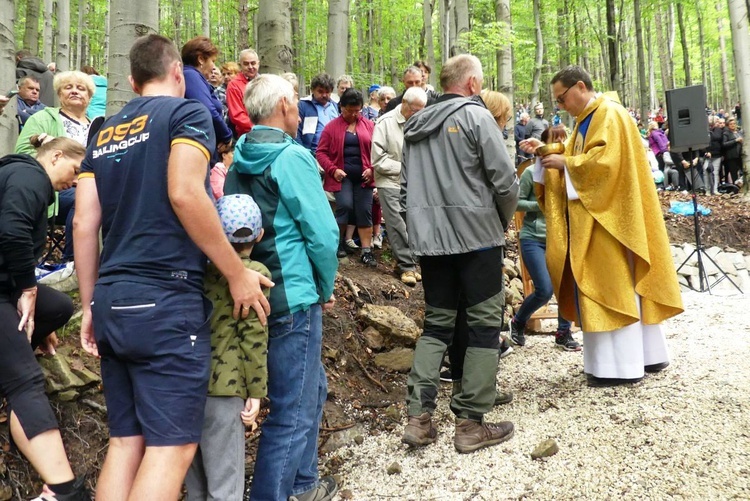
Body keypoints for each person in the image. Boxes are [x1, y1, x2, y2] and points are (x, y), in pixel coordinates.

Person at [73, 34, 272, 500]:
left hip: (112, 299)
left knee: (126, 442)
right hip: (165, 299)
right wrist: (236, 272)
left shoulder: (103, 129)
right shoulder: (188, 114)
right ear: (179, 73)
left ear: (131, 81)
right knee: (171, 448)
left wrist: (90, 304)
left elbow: (84, 221)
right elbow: (186, 192)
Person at [520, 65, 683, 387]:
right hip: (597, 216)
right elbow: (582, 158)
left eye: (562, 98)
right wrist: (544, 154)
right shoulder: (586, 119)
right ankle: (643, 355)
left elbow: (607, 165)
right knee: (615, 283)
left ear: (580, 86)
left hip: (610, 219)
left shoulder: (609, 113)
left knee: (612, 285)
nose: (560, 106)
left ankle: (619, 366)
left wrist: (565, 163)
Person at [222, 73, 340, 501]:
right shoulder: (291, 158)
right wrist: (325, 286)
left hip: (254, 285)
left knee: (313, 389)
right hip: (292, 294)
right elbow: (323, 234)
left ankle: (305, 483)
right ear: (286, 107)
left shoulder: (241, 156)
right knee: (291, 409)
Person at [400, 54, 519, 454]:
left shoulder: (413, 124)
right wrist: (499, 223)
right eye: (480, 82)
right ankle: (470, 422)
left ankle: (419, 418)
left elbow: (404, 191)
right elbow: (504, 181)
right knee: (485, 324)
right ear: (471, 84)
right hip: (477, 239)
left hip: (431, 243)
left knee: (437, 324)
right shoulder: (477, 116)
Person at [0, 135, 90, 501]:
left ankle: (13, 351)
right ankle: (64, 490)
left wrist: (33, 305)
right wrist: (27, 288)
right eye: (74, 170)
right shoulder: (29, 175)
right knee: (26, 382)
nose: (75, 181)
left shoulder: (22, 177)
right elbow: (12, 229)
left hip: (5, 289)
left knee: (57, 308)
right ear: (55, 156)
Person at [185, 194, 270, 501]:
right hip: (226, 389)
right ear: (259, 235)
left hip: (187, 385)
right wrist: (256, 393)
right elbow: (253, 338)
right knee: (226, 485)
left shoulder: (197, 273)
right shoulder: (255, 275)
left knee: (196, 485)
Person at [509, 125, 581, 352]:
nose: (558, 144)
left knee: (566, 286)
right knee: (545, 289)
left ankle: (563, 332)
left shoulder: (571, 172)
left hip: (563, 237)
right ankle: (518, 322)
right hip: (535, 237)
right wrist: (542, 205)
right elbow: (516, 203)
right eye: (554, 139)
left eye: (562, 139)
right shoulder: (531, 172)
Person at [16, 70, 95, 262]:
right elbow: (21, 154)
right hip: (55, 190)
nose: (75, 91)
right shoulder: (42, 118)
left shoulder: (97, 125)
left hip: (92, 185)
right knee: (85, 199)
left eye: (81, 88)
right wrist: (49, 151)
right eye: (68, 87)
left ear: (89, 96)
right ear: (59, 94)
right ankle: (73, 264)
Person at [371, 86, 427, 285]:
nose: (419, 114)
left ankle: (405, 262)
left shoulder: (421, 121)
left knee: (411, 224)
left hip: (414, 183)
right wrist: (406, 167)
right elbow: (378, 160)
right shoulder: (384, 123)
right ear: (404, 104)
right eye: (415, 110)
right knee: (396, 225)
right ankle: (407, 266)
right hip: (390, 181)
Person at [317, 89, 377, 266]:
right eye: (349, 110)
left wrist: (372, 169)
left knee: (365, 210)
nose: (353, 114)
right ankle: (339, 244)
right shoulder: (331, 127)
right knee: (344, 206)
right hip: (341, 177)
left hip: (364, 177)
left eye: (357, 110)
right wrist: (333, 169)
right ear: (341, 107)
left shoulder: (369, 125)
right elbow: (321, 152)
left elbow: (378, 151)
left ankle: (366, 251)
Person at [182, 37, 233, 153]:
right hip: (199, 145)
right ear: (201, 59)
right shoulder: (191, 76)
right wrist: (227, 136)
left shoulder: (194, 77)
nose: (214, 67)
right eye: (212, 61)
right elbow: (207, 109)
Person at [296, 73, 338, 154]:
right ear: (312, 90)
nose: (324, 95)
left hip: (333, 154)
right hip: (312, 153)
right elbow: (297, 132)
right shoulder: (303, 105)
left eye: (327, 92)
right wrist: (302, 153)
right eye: (320, 91)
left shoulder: (335, 106)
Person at [227, 48, 259, 137]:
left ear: (258, 63)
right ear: (240, 65)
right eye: (246, 64)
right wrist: (259, 128)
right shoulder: (234, 85)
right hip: (247, 135)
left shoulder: (265, 82)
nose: (250, 67)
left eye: (253, 63)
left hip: (269, 131)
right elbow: (237, 115)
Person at [721, 117, 744, 185]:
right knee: (734, 174)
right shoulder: (726, 133)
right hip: (732, 156)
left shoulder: (739, 132)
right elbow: (724, 144)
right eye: (731, 124)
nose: (733, 125)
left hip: (740, 155)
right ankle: (735, 188)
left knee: (744, 171)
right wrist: (735, 140)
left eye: (734, 124)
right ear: (728, 125)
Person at [705, 116, 724, 194]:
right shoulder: (705, 130)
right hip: (707, 154)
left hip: (717, 154)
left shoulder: (719, 130)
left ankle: (715, 189)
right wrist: (706, 152)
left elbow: (720, 140)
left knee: (715, 172)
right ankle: (707, 190)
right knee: (705, 170)